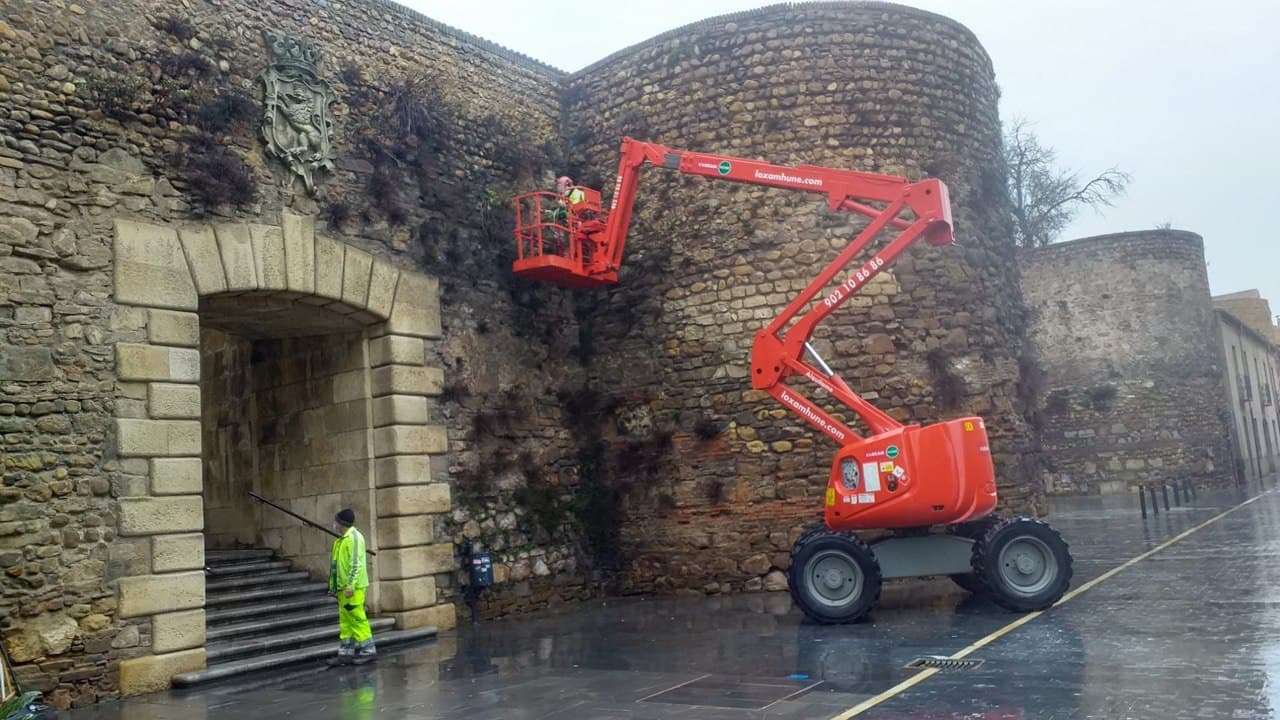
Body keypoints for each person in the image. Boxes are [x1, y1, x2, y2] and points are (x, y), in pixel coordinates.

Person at [326, 508, 375, 666]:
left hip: (352, 588)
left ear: (341, 523)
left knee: (356, 618)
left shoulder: (353, 538)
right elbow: (336, 566)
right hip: (343, 588)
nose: (334, 524)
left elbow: (356, 564)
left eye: (336, 521)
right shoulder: (342, 540)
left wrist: (350, 585)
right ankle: (346, 652)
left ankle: (368, 650)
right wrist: (334, 587)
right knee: (346, 621)